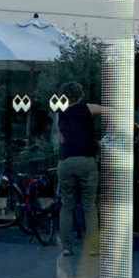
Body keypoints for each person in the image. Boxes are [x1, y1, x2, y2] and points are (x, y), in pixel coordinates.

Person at [56, 82, 101, 256]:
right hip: (86, 160)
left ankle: (67, 247)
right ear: (80, 94)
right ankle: (93, 247)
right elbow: (112, 110)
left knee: (67, 206)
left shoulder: (59, 113)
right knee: (89, 205)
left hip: (66, 161)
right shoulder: (88, 108)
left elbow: (59, 139)